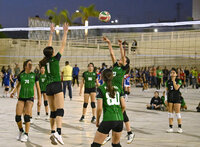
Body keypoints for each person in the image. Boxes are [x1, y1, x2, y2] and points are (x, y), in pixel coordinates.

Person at [39, 23, 69, 145]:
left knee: (52, 111)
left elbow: (48, 47)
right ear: (52, 53)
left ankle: (52, 131)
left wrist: (51, 32)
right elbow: (63, 44)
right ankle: (59, 133)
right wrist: (65, 32)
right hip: (56, 85)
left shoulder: (44, 61)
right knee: (60, 110)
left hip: (48, 87)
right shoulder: (56, 59)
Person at [103, 37, 134, 144]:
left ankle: (129, 132)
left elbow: (122, 56)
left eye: (123, 59)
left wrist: (121, 46)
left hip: (118, 92)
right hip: (110, 91)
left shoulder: (123, 69)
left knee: (122, 112)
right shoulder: (115, 66)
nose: (120, 59)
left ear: (126, 62)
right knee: (108, 111)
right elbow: (112, 54)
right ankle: (108, 134)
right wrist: (109, 43)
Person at [91, 69, 126, 147]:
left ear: (102, 77)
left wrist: (97, 121)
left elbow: (99, 108)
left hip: (108, 119)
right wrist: (120, 114)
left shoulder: (101, 88)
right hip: (119, 120)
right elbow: (123, 106)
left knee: (95, 145)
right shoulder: (118, 88)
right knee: (116, 144)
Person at [11, 59, 41, 142]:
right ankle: (21, 131)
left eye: (31, 64)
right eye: (29, 64)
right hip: (21, 97)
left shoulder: (34, 75)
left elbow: (38, 88)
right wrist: (13, 92)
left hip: (30, 98)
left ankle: (26, 134)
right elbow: (17, 86)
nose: (31, 66)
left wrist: (39, 99)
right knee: (17, 117)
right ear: (25, 66)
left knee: (27, 116)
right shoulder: (21, 75)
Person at [165, 68, 183, 133]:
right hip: (170, 98)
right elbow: (166, 91)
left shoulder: (179, 80)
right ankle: (170, 127)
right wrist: (165, 99)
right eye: (171, 73)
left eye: (173, 73)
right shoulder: (168, 81)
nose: (172, 74)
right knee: (170, 113)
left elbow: (176, 88)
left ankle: (179, 127)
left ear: (176, 74)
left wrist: (173, 81)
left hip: (177, 98)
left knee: (177, 113)